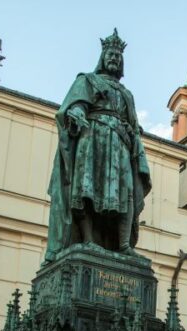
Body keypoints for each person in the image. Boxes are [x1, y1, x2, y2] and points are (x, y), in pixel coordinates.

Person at [45, 28, 151, 260]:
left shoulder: (127, 93)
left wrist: (134, 132)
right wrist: (76, 112)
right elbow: (76, 104)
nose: (114, 59)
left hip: (120, 145)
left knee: (126, 192)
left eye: (118, 56)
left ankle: (123, 244)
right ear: (102, 58)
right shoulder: (87, 80)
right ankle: (87, 240)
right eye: (110, 55)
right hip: (92, 139)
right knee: (87, 189)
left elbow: (133, 122)